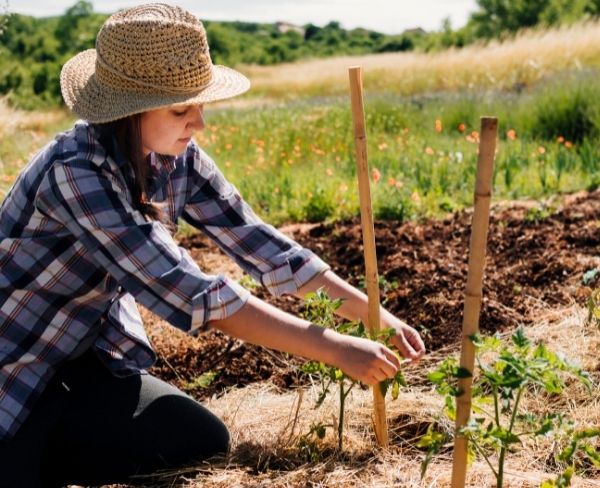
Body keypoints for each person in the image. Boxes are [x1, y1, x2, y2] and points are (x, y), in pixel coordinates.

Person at [0, 3, 425, 487]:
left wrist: (372, 314)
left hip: (82, 361)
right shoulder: (75, 174)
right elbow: (191, 292)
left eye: (199, 104)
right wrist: (334, 348)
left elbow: (261, 244)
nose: (198, 122)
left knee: (195, 441)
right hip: (15, 369)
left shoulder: (172, 157)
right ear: (129, 112)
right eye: (181, 109)